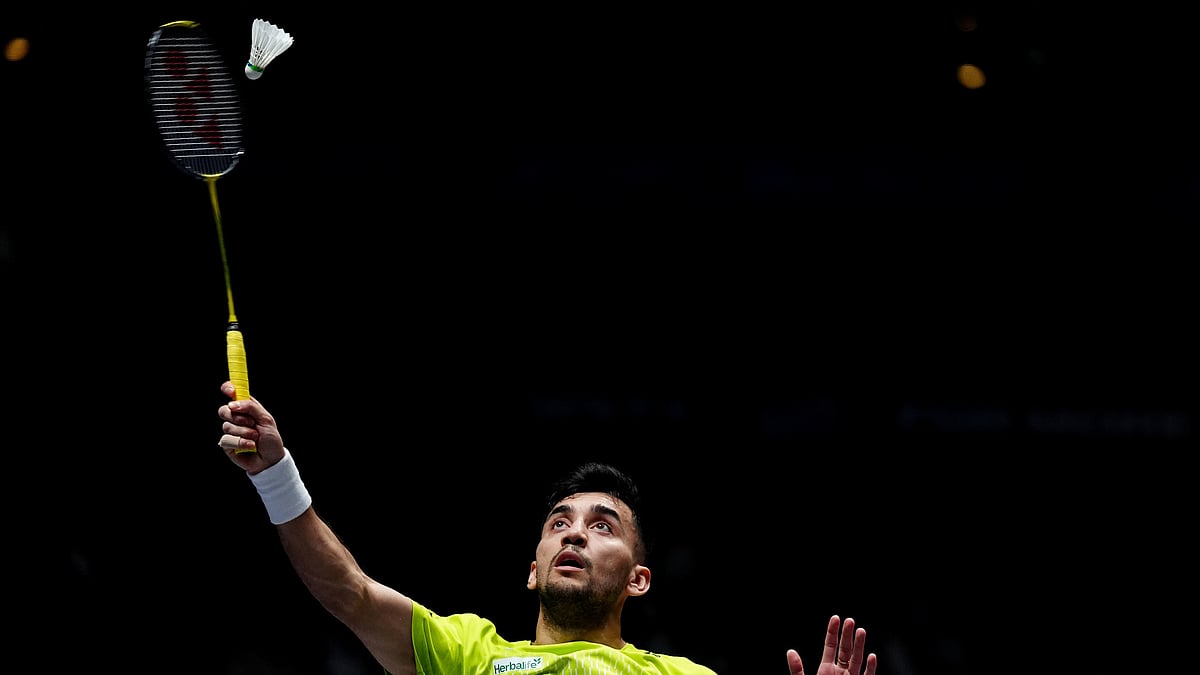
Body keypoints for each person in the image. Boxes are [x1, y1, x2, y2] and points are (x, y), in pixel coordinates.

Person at [217, 380, 880, 675]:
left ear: (639, 579)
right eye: (560, 522)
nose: (574, 533)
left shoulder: (678, 674)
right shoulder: (467, 652)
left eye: (602, 526)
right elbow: (350, 593)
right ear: (532, 566)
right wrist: (275, 472)